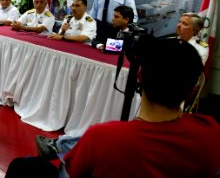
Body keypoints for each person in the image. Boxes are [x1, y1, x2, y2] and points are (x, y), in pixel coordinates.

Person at [62, 38, 220, 177]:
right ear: (192, 90)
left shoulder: (100, 138)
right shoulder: (211, 132)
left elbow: (74, 172)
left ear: (139, 75)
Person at [36, 6, 134, 159]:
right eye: (113, 16)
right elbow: (95, 40)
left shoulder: (134, 35)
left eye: (116, 17)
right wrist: (101, 45)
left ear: (126, 20)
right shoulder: (109, 28)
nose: (113, 19)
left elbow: (129, 50)